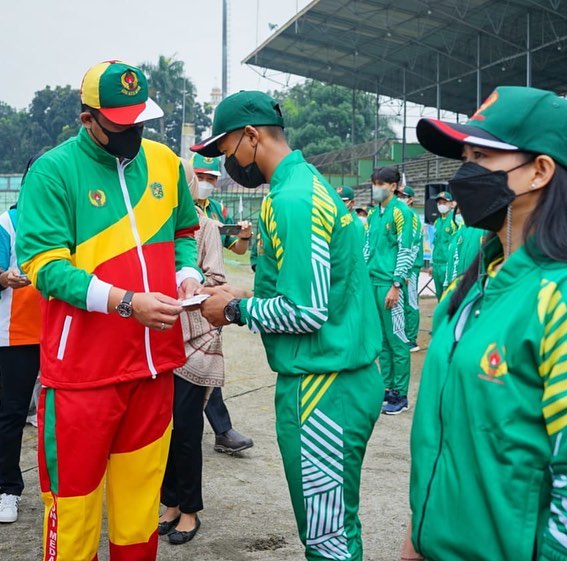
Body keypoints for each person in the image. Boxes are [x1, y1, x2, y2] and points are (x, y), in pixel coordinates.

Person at [401, 86, 567, 561]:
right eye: (465, 156)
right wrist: (419, 536)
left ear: (539, 170)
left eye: (482, 156)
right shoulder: (480, 281)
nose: (464, 173)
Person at [16, 60, 204, 561]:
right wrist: (125, 303)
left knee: (139, 511)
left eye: (140, 121)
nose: (134, 134)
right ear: (87, 119)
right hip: (82, 376)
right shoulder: (54, 171)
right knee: (74, 512)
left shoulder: (164, 163)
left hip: (154, 369)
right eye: (121, 125)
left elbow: (185, 232)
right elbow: (43, 265)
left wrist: (188, 276)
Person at [195, 90, 382, 561]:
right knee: (338, 523)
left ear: (252, 136)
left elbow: (306, 310)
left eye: (226, 150)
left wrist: (236, 311)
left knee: (327, 538)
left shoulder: (292, 200)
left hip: (323, 385)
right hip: (340, 374)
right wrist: (244, 294)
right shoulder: (305, 184)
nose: (225, 164)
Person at [159, 160, 229, 545]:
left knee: (185, 429)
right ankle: (169, 503)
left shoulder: (205, 228)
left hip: (192, 341)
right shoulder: (151, 228)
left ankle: (189, 510)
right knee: (161, 429)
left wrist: (186, 292)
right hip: (154, 340)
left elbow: (217, 282)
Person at [0, 152, 44, 524]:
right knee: (13, 413)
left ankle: (68, 486)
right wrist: (5, 278)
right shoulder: (7, 222)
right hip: (17, 334)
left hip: (61, 332)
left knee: (65, 414)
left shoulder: (64, 220)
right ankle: (9, 490)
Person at [190, 154, 254, 454]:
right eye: (201, 177)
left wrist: (244, 235)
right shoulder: (177, 207)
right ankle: (221, 430)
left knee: (206, 362)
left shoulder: (216, 209)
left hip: (210, 292)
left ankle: (220, 430)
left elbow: (238, 249)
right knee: (199, 364)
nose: (206, 183)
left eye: (212, 179)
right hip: (183, 290)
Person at [364, 167, 415, 415]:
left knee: (397, 339)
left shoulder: (402, 212)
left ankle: (401, 394)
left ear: (393, 186)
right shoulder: (374, 215)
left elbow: (407, 249)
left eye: (380, 184)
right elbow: (367, 249)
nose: (376, 188)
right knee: (382, 340)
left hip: (389, 284)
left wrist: (396, 284)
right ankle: (387, 388)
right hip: (372, 281)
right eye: (374, 184)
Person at [395, 185, 423, 352]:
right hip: (404, 269)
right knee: (402, 303)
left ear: (411, 199)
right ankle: (403, 336)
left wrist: (406, 269)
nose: (400, 198)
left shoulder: (412, 217)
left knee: (411, 303)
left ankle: (411, 339)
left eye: (403, 196)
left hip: (411, 269)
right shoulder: (402, 215)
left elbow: (412, 247)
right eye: (398, 195)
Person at [442, 208, 486, 293]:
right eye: (457, 212)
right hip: (458, 283)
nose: (459, 214)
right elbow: (453, 261)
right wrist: (447, 284)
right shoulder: (456, 234)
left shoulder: (482, 229)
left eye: (460, 211)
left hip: (474, 283)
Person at [431, 191, 457, 300]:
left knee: (447, 295)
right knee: (438, 295)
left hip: (447, 263)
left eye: (444, 202)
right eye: (439, 203)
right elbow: (434, 243)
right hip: (437, 264)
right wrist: (432, 264)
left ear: (451, 204)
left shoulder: (454, 220)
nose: (441, 205)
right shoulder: (437, 222)